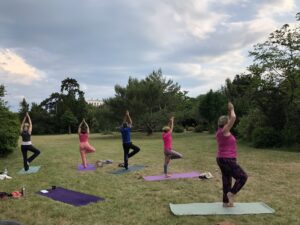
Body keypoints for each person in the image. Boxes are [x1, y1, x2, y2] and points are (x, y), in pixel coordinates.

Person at [216, 102, 248, 207]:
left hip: (221, 159)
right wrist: (233, 108)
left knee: (227, 180)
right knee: (243, 177)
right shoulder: (225, 130)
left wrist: (229, 110)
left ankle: (226, 202)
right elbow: (233, 118)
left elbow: (230, 118)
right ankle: (231, 193)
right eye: (228, 122)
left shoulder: (220, 131)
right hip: (227, 159)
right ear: (226, 123)